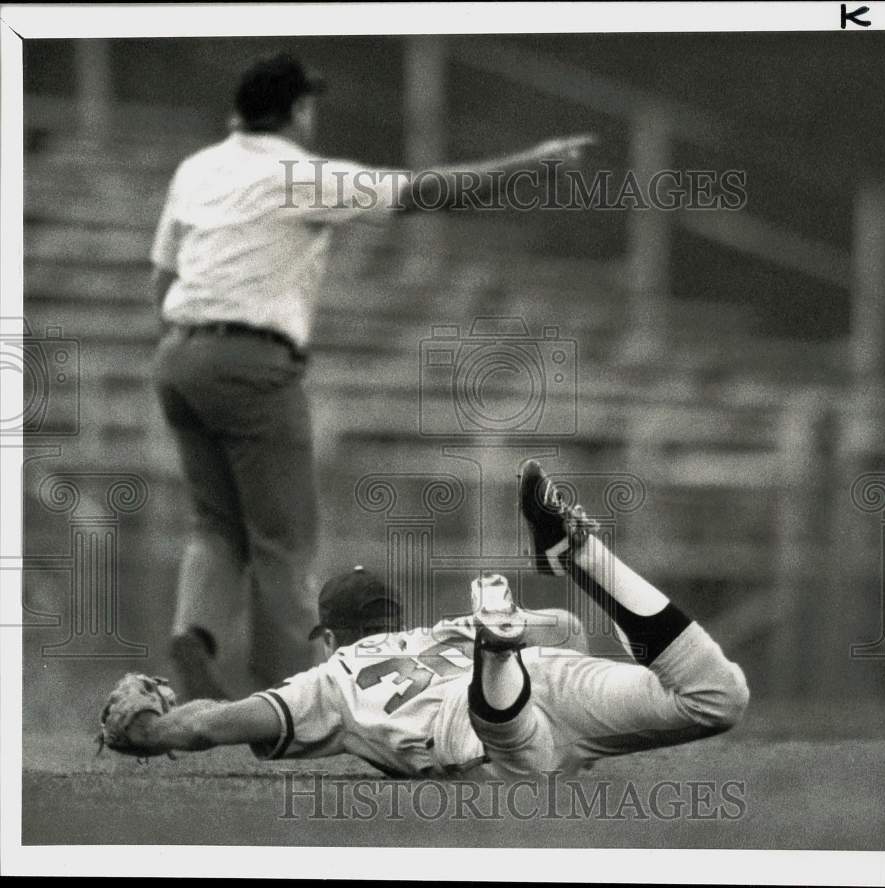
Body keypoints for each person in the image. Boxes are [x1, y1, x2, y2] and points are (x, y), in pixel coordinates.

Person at [149, 51, 595, 697]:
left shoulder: (196, 168)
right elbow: (424, 192)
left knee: (215, 526)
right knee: (282, 544)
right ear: (299, 110)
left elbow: (162, 276)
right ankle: (290, 699)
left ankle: (196, 637)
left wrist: (187, 348)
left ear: (237, 113)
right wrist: (528, 168)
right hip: (250, 362)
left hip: (178, 358)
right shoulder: (301, 175)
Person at [100, 461, 749, 779]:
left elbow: (221, 722)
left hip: (484, 731)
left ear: (328, 638)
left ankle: (497, 666)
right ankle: (580, 556)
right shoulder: (441, 631)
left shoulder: (328, 681)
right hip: (549, 672)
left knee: (521, 765)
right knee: (716, 698)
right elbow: (567, 631)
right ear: (394, 618)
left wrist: (151, 731)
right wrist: (509, 631)